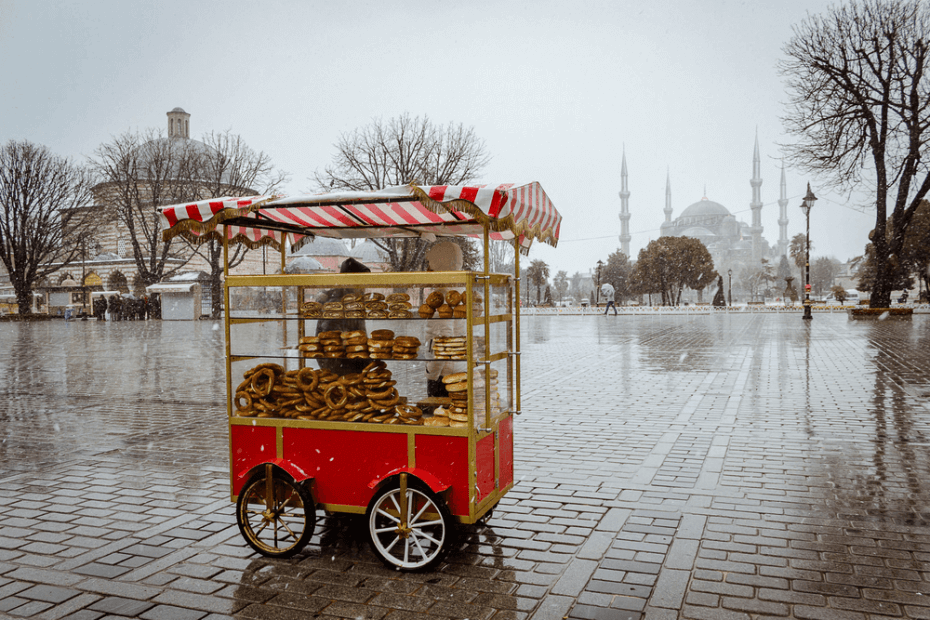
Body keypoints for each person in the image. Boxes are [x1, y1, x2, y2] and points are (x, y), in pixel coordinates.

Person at [315, 257, 371, 375]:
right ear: (351, 282)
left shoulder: (354, 302)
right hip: (342, 368)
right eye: (362, 282)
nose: (364, 286)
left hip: (352, 363)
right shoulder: (336, 304)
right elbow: (333, 343)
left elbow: (356, 336)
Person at [424, 241, 465, 397]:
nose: (428, 268)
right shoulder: (461, 291)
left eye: (430, 262)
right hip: (460, 368)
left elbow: (442, 342)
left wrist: (431, 375)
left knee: (440, 414)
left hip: (444, 375)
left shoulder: (440, 297)